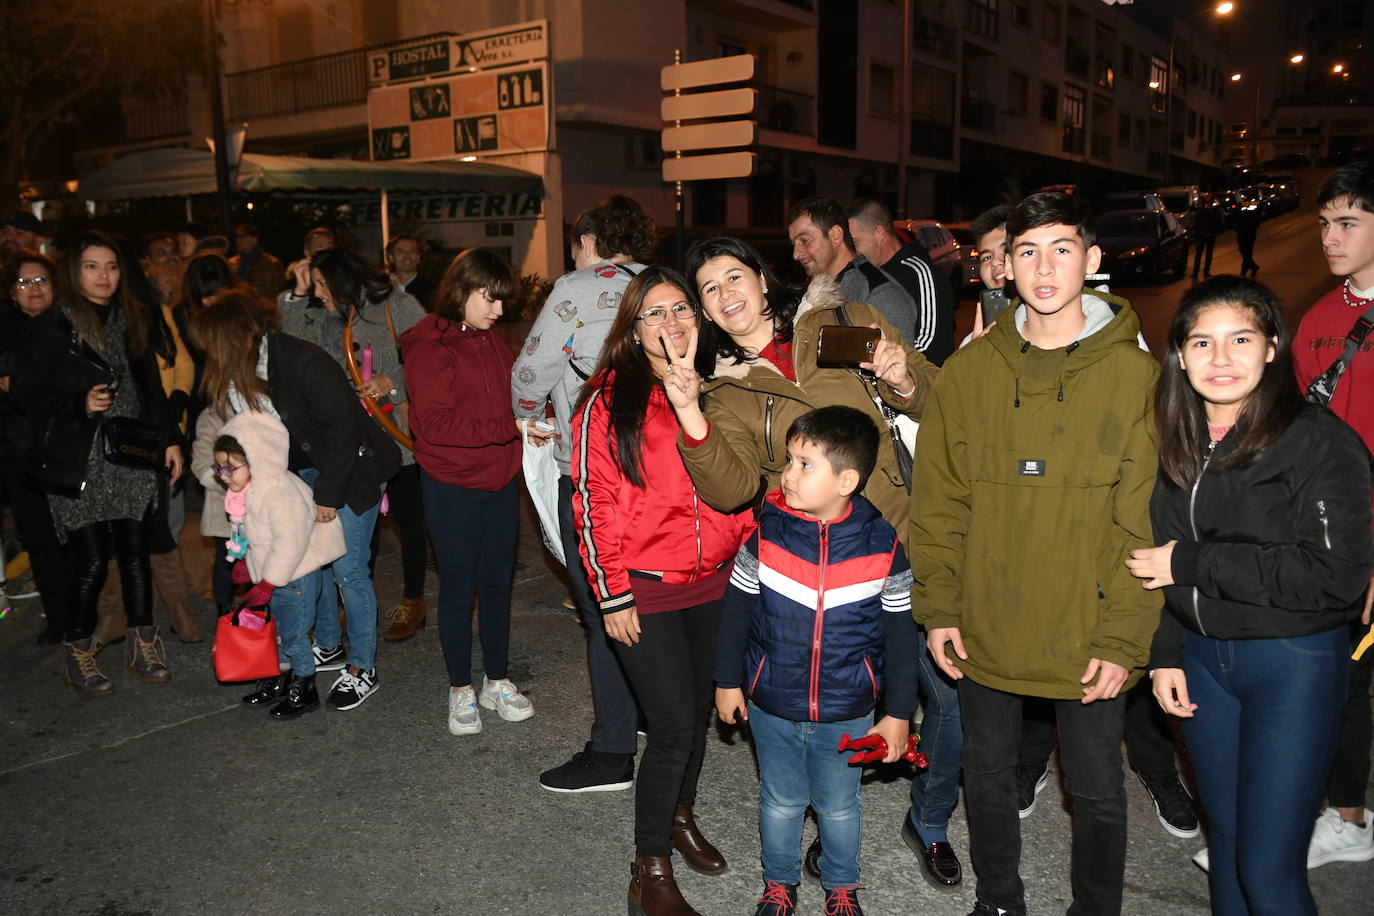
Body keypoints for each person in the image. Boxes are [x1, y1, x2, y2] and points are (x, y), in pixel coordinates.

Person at [663, 236, 957, 889]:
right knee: (836, 691)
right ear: (705, 311)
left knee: (945, 690)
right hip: (817, 567)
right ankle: (828, 824)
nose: (725, 295)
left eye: (733, 276)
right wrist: (689, 410)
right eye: (709, 288)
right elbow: (732, 487)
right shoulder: (726, 392)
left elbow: (939, 404)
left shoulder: (839, 324)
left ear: (764, 281)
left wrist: (903, 377)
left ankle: (931, 820)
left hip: (906, 537)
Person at [910, 192, 1161, 916]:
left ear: (1093, 258)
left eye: (1061, 248)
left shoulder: (1138, 378)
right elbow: (941, 503)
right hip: (987, 616)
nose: (1044, 267)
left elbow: (1144, 523)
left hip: (1088, 627)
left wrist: (1124, 637)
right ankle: (999, 899)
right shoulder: (970, 373)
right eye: (1027, 251)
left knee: (1096, 789)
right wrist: (940, 606)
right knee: (985, 774)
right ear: (1002, 266)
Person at [1130, 275, 1372, 916]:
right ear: (1179, 355)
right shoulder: (1178, 442)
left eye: (1241, 339)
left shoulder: (1318, 439)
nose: (1221, 358)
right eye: (1202, 342)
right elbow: (1159, 568)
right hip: (1206, 666)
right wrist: (1166, 652)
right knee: (1231, 850)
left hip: (1292, 664)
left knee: (1269, 871)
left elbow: (1336, 577)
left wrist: (1193, 560)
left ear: (1271, 347)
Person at [572, 267, 753, 916]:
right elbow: (594, 502)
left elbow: (738, 489)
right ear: (632, 328)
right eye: (654, 314)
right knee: (674, 724)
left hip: (715, 584)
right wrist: (611, 594)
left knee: (698, 715)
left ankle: (680, 816)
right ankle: (648, 866)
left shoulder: (715, 388)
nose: (671, 323)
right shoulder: (607, 398)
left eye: (681, 309)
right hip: (644, 587)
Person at [713, 406, 918, 916]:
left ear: (846, 480)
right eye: (789, 460)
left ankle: (842, 888)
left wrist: (897, 714)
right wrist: (727, 680)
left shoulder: (883, 547)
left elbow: (899, 636)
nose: (788, 474)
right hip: (772, 699)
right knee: (780, 800)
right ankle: (779, 885)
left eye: (806, 464)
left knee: (838, 804)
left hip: (847, 706)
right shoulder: (767, 535)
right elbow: (736, 612)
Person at [189, 291, 400, 710]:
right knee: (311, 564)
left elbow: (344, 429)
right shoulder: (239, 372)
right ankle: (328, 646)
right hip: (305, 471)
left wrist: (328, 496)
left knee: (348, 571)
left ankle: (363, 668)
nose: (211, 355)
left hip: (353, 469)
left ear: (244, 336)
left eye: (216, 345)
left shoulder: (303, 361)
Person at [513, 196, 652, 793]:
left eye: (576, 242)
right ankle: (648, 711)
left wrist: (528, 413)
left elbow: (531, 372)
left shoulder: (576, 287)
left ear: (591, 239)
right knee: (647, 599)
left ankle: (612, 752)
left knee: (600, 610)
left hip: (594, 470)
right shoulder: (662, 286)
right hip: (661, 471)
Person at [10, 230, 185, 696]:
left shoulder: (133, 318)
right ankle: (79, 654)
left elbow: (152, 387)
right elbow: (24, 391)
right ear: (74, 271)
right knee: (89, 561)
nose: (104, 275)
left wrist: (170, 441)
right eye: (92, 266)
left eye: (110, 266)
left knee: (134, 555)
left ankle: (143, 645)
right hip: (77, 458)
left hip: (129, 452)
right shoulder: (51, 325)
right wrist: (78, 403)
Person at [401, 248, 536, 735]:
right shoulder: (428, 345)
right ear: (463, 287)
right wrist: (511, 426)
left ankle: (496, 680)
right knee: (459, 588)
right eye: (490, 299)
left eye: (503, 302)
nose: (499, 311)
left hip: (499, 482)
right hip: (452, 485)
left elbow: (517, 392)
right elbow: (434, 425)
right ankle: (460, 688)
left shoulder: (492, 341)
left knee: (499, 585)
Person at [280, 246, 430, 645]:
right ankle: (358, 603)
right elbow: (291, 344)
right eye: (314, 286)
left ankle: (414, 600)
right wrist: (297, 295)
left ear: (343, 278)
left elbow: (433, 354)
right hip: (346, 437)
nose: (320, 293)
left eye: (323, 284)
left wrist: (390, 381)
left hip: (391, 431)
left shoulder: (393, 304)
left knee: (408, 519)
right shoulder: (324, 311)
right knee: (362, 524)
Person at [1291, 159, 1374, 869]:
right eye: (1324, 223)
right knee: (1336, 679)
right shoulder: (1318, 317)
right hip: (1321, 533)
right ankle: (1342, 814)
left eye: (1347, 222)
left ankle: (1346, 815)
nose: (1329, 237)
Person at [214, 413, 345, 719]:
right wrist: (249, 565)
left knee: (295, 635)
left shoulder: (278, 493)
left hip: (293, 578)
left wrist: (267, 582)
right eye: (220, 467)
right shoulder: (250, 489)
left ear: (257, 459)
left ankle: (305, 685)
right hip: (276, 578)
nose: (224, 475)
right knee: (281, 631)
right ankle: (281, 678)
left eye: (231, 467)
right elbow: (257, 535)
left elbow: (289, 544)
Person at [0, 251, 72, 645]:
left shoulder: (69, 325)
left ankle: (86, 614)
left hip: (69, 447)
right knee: (40, 538)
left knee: (77, 535)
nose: (33, 290)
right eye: (24, 283)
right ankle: (59, 618)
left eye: (41, 280)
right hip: (19, 452)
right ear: (11, 292)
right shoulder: (6, 330)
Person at [786, 196, 918, 345]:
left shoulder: (879, 293)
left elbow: (900, 363)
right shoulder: (814, 291)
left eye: (804, 240)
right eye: (794, 244)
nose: (796, 254)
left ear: (836, 236)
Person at [847, 197, 956, 364]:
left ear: (880, 233)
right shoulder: (866, 275)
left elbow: (933, 347)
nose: (852, 251)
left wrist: (889, 367)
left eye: (855, 242)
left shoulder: (920, 273)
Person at [230, 223, 284, 301]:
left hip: (262, 310)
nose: (238, 241)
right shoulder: (231, 263)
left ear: (254, 240)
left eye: (243, 237)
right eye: (237, 237)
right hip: (239, 310)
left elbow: (280, 293)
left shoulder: (272, 263)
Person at [386, 234, 435, 310]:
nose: (407, 255)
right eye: (401, 251)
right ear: (391, 257)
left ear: (418, 258)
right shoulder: (383, 289)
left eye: (412, 251)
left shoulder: (431, 290)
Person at [1190, 195, 1225, 280]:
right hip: (1205, 235)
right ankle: (1202, 272)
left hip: (1205, 235)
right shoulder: (1211, 210)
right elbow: (1218, 222)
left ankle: (1200, 272)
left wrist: (1213, 232)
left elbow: (1197, 222)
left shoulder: (1208, 210)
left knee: (1202, 254)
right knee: (1204, 254)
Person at [1233, 204, 1261, 278]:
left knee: (1247, 252)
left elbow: (1256, 217)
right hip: (1242, 231)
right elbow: (1236, 216)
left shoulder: (1252, 205)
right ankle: (1253, 267)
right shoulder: (1239, 205)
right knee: (1244, 251)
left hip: (1250, 231)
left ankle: (1245, 271)